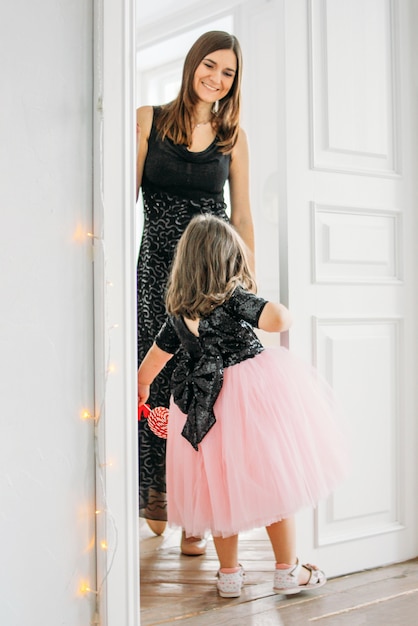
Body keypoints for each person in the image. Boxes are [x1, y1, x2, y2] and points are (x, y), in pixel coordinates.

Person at [137, 215, 349, 598]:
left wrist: (142, 387)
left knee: (220, 489)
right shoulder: (234, 298)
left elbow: (154, 359)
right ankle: (288, 569)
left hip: (201, 406)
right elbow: (277, 319)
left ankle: (229, 576)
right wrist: (283, 309)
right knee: (273, 480)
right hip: (247, 401)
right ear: (228, 261)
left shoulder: (178, 315)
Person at [136, 30, 254, 555]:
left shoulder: (233, 136)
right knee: (155, 378)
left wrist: (247, 285)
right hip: (157, 270)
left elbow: (243, 213)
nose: (217, 78)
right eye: (210, 66)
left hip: (212, 277)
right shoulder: (149, 118)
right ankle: (157, 494)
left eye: (228, 72)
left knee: (202, 388)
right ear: (192, 65)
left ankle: (196, 511)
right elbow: (123, 197)